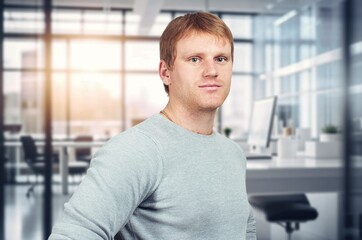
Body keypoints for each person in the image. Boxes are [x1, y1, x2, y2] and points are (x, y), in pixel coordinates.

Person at [49, 11, 256, 240]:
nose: (211, 71)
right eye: (195, 59)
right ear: (166, 73)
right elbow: (72, 235)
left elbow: (245, 230)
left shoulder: (233, 153)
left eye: (221, 59)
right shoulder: (135, 150)